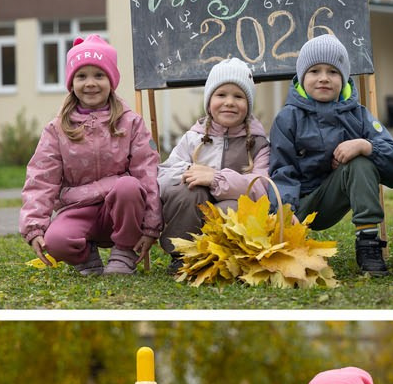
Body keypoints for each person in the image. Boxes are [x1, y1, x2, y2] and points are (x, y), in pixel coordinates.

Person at [17, 34, 162, 276]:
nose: (90, 83)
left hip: (121, 211)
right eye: (81, 76)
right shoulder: (57, 129)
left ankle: (124, 252)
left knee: (128, 187)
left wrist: (150, 226)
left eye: (99, 75)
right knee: (57, 241)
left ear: (112, 80)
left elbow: (148, 174)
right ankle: (86, 258)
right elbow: (41, 180)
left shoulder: (131, 123)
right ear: (71, 82)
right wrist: (34, 227)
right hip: (78, 209)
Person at [268, 33, 393, 276]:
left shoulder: (359, 115)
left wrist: (366, 146)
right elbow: (282, 171)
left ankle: (368, 244)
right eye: (314, 71)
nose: (324, 78)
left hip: (331, 200)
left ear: (344, 78)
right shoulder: (287, 118)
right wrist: (286, 211)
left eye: (333, 72)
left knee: (360, 161)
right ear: (302, 76)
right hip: (300, 207)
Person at [157, 57, 275, 246]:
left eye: (238, 96)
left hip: (229, 227)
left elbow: (262, 188)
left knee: (233, 207)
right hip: (194, 214)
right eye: (221, 95)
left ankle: (225, 256)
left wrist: (217, 178)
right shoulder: (193, 138)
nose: (229, 102)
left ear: (249, 104)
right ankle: (181, 253)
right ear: (209, 100)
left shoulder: (258, 144)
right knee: (189, 192)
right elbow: (164, 175)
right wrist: (193, 172)